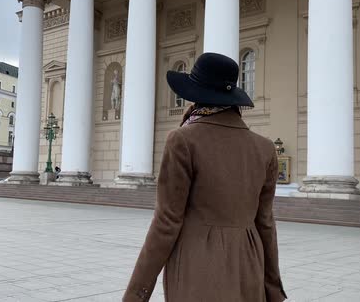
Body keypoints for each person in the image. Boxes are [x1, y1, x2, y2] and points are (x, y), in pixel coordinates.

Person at [123, 53, 286, 302]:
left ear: (195, 95)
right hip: (249, 269)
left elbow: (166, 222)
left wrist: (137, 294)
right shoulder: (264, 148)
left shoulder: (183, 140)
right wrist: (273, 289)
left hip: (196, 270)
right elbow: (265, 224)